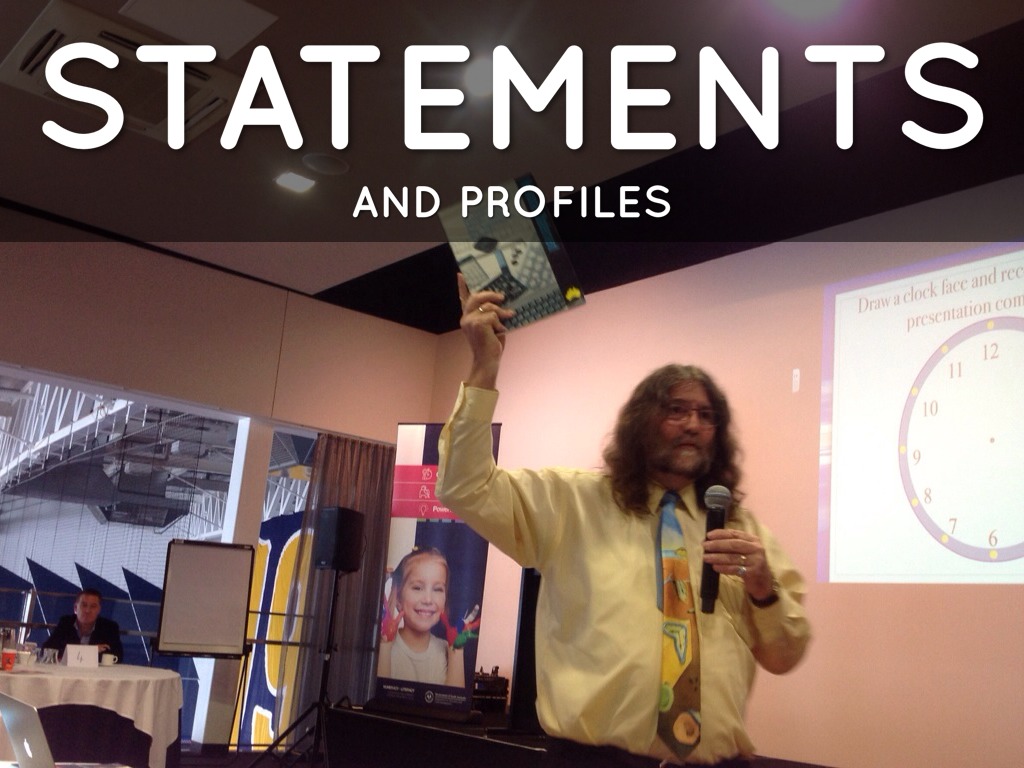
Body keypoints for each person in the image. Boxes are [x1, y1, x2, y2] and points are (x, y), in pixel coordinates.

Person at [435, 276, 811, 768]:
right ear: (640, 422)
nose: (693, 425)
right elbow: (464, 486)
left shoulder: (742, 531)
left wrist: (764, 590)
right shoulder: (573, 502)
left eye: (706, 415)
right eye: (677, 410)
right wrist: (484, 366)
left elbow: (785, 655)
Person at [376, 547, 478, 687]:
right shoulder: (385, 647)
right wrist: (385, 645)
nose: (428, 599)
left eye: (437, 589)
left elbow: (453, 699)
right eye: (417, 588)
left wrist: (456, 650)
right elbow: (381, 695)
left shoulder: (446, 650)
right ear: (398, 598)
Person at [42, 588, 124, 661]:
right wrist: (92, 650)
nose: (87, 610)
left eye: (93, 606)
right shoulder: (66, 623)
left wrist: (73, 653)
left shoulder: (109, 627)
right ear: (75, 608)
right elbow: (47, 650)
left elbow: (117, 656)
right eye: (84, 605)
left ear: (99, 610)